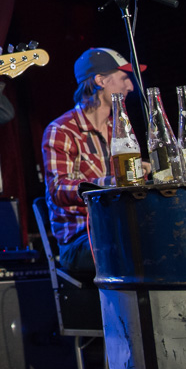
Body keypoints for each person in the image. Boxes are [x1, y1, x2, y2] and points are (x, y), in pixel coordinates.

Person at [41, 47, 147, 275]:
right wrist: (112, 181)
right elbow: (58, 190)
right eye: (124, 78)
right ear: (100, 80)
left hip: (118, 227)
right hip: (81, 239)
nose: (130, 86)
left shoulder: (119, 129)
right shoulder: (61, 130)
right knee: (137, 249)